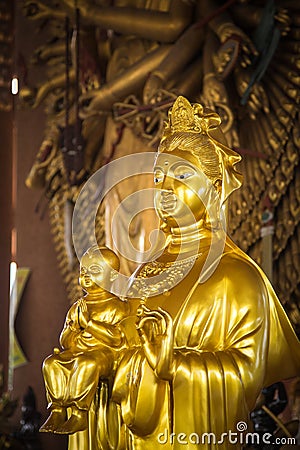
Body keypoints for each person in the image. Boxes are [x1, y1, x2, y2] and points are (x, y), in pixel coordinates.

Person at [112, 96, 300, 449]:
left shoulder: (236, 277)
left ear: (213, 187)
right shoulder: (145, 274)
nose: (165, 190)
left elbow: (246, 374)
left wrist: (172, 366)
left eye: (181, 174)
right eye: (158, 176)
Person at [40, 245, 129, 435]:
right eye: (83, 270)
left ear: (112, 275)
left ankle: (80, 413)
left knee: (87, 364)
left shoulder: (117, 306)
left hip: (104, 355)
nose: (86, 275)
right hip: (78, 351)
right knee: (51, 363)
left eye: (94, 270)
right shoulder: (78, 306)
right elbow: (66, 341)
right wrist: (72, 329)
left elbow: (117, 339)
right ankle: (57, 409)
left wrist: (89, 324)